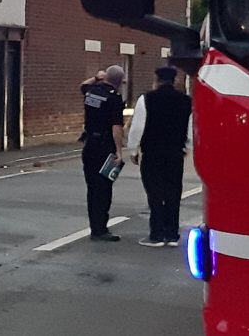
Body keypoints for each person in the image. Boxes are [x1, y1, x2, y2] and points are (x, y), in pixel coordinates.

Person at [127, 66, 192, 247]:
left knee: (154, 193)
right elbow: (191, 128)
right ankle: (172, 234)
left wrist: (133, 150)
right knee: (173, 192)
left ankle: (156, 234)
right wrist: (187, 146)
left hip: (152, 152)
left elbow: (138, 127)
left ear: (156, 80)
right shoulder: (186, 101)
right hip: (174, 152)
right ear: (175, 81)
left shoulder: (146, 99)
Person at [80, 65, 126, 242]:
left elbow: (82, 86)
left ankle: (95, 226)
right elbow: (116, 128)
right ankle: (100, 229)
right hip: (104, 146)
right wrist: (118, 151)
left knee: (92, 187)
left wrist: (96, 77)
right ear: (120, 82)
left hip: (89, 144)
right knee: (103, 188)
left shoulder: (91, 91)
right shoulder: (114, 98)